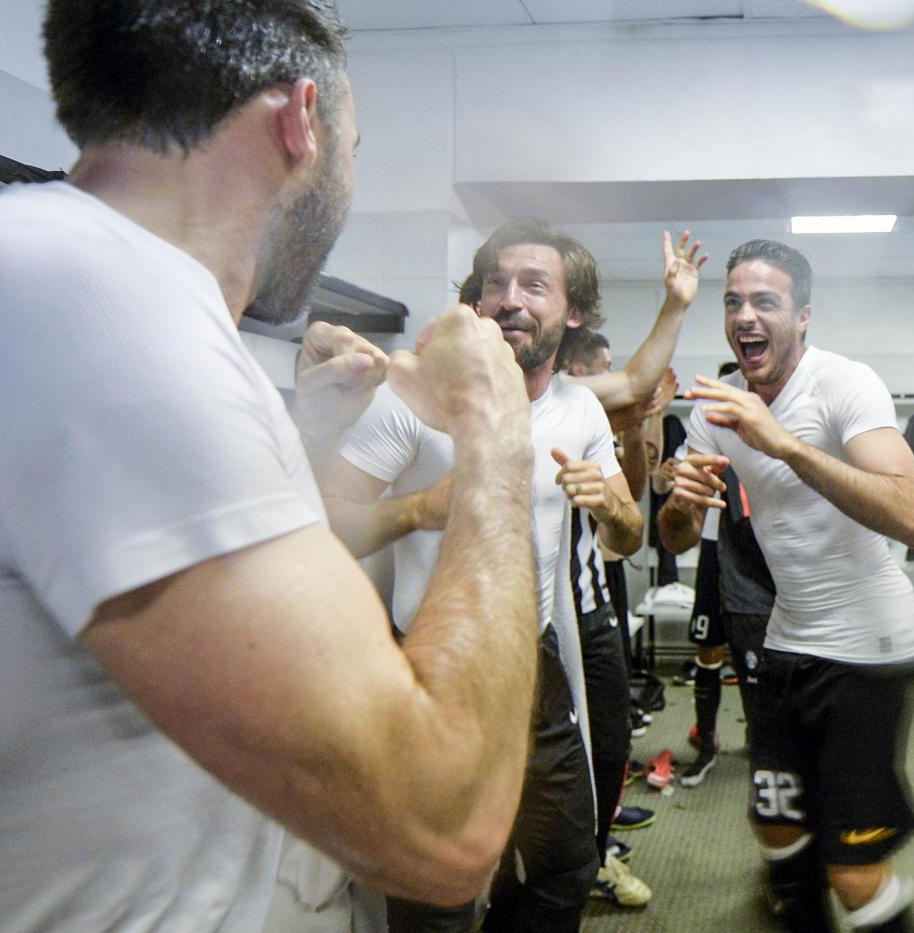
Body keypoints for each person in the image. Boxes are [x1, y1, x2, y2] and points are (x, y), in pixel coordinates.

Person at [0, 2, 541, 930]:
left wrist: (295, 435)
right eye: (355, 148)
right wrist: (496, 432)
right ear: (302, 121)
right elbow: (444, 824)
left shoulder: (24, 272)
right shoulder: (100, 307)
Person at [319, 219, 686, 932]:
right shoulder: (414, 402)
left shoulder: (579, 408)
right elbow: (323, 521)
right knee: (438, 884)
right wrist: (420, 509)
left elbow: (627, 537)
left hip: (534, 664)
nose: (509, 298)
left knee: (567, 863)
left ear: (573, 312)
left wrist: (612, 507)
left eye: (534, 284)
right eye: (496, 282)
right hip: (432, 668)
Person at [659, 239, 914, 933]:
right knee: (777, 824)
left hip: (868, 649)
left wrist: (780, 442)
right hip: (788, 640)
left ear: (802, 316)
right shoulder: (719, 408)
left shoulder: (843, 384)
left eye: (765, 302)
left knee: (854, 871)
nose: (745, 316)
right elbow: (677, 537)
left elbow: (912, 516)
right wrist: (682, 501)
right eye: (733, 302)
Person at [552, 238, 706, 910]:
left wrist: (641, 425)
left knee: (608, 743)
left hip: (587, 598)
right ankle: (568, 863)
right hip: (517, 614)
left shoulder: (579, 406)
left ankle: (596, 849)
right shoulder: (457, 395)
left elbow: (633, 509)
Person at [680, 362, 776, 789]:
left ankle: (760, 742)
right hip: (711, 551)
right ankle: (705, 746)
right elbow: (673, 489)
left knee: (756, 656)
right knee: (708, 648)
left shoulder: (762, 440)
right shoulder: (702, 434)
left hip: (750, 555)